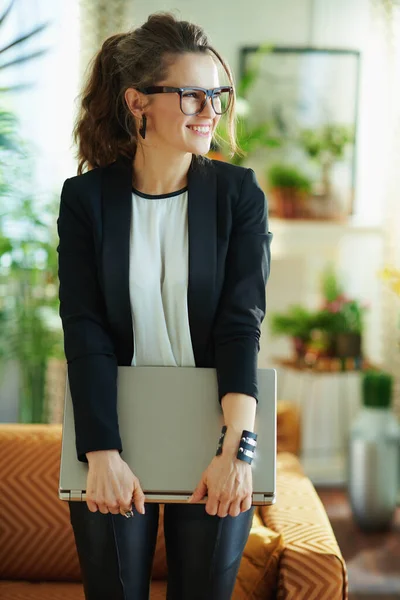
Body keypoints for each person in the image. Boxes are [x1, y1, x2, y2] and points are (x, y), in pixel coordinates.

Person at [57, 11, 273, 600]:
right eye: (192, 96)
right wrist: (101, 452)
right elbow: (86, 329)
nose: (211, 111)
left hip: (216, 438)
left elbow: (239, 326)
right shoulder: (85, 201)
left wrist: (238, 449)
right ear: (138, 102)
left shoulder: (238, 197)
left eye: (217, 96)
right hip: (111, 435)